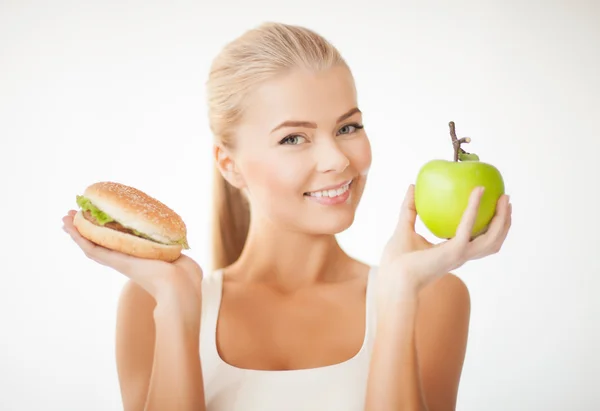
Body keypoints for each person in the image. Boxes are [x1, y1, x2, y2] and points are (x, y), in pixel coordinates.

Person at [61, 22, 512, 411]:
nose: (337, 159)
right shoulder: (150, 303)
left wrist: (397, 295)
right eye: (294, 138)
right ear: (229, 164)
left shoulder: (432, 295)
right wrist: (177, 308)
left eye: (348, 127)